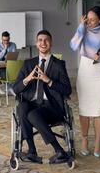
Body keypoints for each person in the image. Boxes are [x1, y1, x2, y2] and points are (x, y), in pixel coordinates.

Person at [13, 30, 72, 164]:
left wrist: (49, 80)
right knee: (23, 107)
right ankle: (32, 151)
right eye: (40, 40)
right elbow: (16, 89)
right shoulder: (28, 64)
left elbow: (67, 90)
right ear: (36, 43)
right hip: (32, 103)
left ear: (50, 43)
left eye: (46, 40)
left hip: (51, 107)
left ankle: (59, 151)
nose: (43, 43)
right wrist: (27, 79)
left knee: (32, 115)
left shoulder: (59, 65)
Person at [70, 6, 100, 158]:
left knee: (98, 109)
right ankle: (84, 141)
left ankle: (97, 143)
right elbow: (73, 46)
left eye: (92, 19)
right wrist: (81, 27)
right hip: (84, 71)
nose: (89, 22)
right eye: (87, 19)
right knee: (84, 109)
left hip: (98, 72)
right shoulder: (83, 29)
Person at [0, 31, 17, 95]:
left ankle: (13, 88)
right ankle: (11, 88)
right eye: (4, 40)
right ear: (1, 39)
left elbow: (14, 56)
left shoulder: (13, 45)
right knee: (4, 75)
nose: (6, 42)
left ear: (9, 39)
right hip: (1, 65)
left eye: (7, 40)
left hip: (10, 64)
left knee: (15, 73)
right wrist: (5, 49)